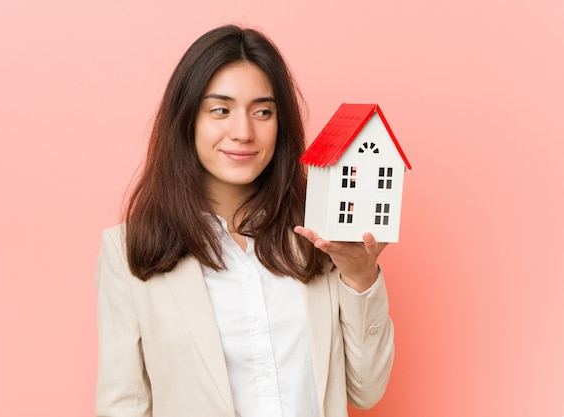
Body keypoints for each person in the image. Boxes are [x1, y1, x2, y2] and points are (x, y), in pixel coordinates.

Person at [95, 24, 394, 417]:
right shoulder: (128, 251)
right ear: (188, 120)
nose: (243, 132)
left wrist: (360, 278)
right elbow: (123, 406)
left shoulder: (320, 235)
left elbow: (367, 390)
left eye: (263, 112)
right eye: (221, 110)